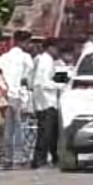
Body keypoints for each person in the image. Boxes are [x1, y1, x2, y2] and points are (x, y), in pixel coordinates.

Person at [0, 30, 34, 168]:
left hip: (5, 96)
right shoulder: (25, 58)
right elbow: (28, 79)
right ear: (23, 42)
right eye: (28, 42)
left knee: (6, 129)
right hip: (18, 96)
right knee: (20, 128)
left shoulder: (3, 58)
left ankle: (6, 159)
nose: (30, 45)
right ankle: (21, 158)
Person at [30, 39, 61, 169]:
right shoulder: (45, 61)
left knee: (53, 132)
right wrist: (60, 86)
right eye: (56, 48)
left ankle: (55, 158)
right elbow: (42, 82)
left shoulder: (47, 61)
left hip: (47, 101)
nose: (57, 51)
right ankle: (39, 160)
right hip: (47, 101)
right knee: (46, 132)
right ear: (50, 48)